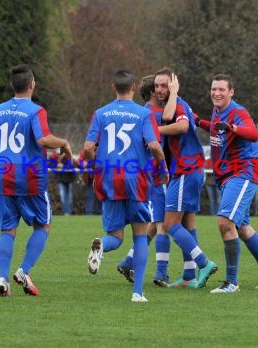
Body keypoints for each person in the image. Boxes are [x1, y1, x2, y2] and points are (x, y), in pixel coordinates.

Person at [0, 64, 72, 297]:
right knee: (43, 225)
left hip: (4, 176)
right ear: (32, 84)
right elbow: (43, 140)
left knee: (7, 231)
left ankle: (2, 278)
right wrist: (64, 143)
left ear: (12, 85)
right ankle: (24, 270)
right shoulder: (35, 111)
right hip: (30, 177)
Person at [85, 69, 167, 302]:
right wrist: (163, 168)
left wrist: (97, 165)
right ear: (133, 88)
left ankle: (102, 246)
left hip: (108, 177)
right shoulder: (143, 114)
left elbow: (89, 146)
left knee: (116, 235)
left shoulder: (100, 113)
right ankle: (137, 292)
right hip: (136, 179)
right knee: (140, 235)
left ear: (113, 87)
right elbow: (153, 146)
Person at [194, 74, 258, 294]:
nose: (216, 93)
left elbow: (253, 133)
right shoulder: (216, 112)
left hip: (242, 173)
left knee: (225, 222)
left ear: (231, 92)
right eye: (214, 89)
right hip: (227, 176)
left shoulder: (238, 112)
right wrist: (198, 121)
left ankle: (231, 282)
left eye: (222, 89)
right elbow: (216, 129)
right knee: (242, 228)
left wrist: (232, 127)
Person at [155, 68, 218, 289]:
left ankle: (204, 263)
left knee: (170, 224)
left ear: (174, 84)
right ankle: (190, 274)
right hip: (189, 170)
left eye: (165, 85)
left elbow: (180, 125)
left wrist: (157, 130)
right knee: (187, 223)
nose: (160, 89)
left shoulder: (178, 103)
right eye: (157, 86)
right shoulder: (175, 104)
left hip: (186, 170)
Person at [51, 149, 76, 215]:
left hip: (70, 179)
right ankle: (66, 212)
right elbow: (49, 164)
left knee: (70, 197)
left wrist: (63, 166)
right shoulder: (55, 158)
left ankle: (69, 212)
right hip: (61, 180)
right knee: (63, 197)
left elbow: (73, 166)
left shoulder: (69, 157)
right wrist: (57, 163)